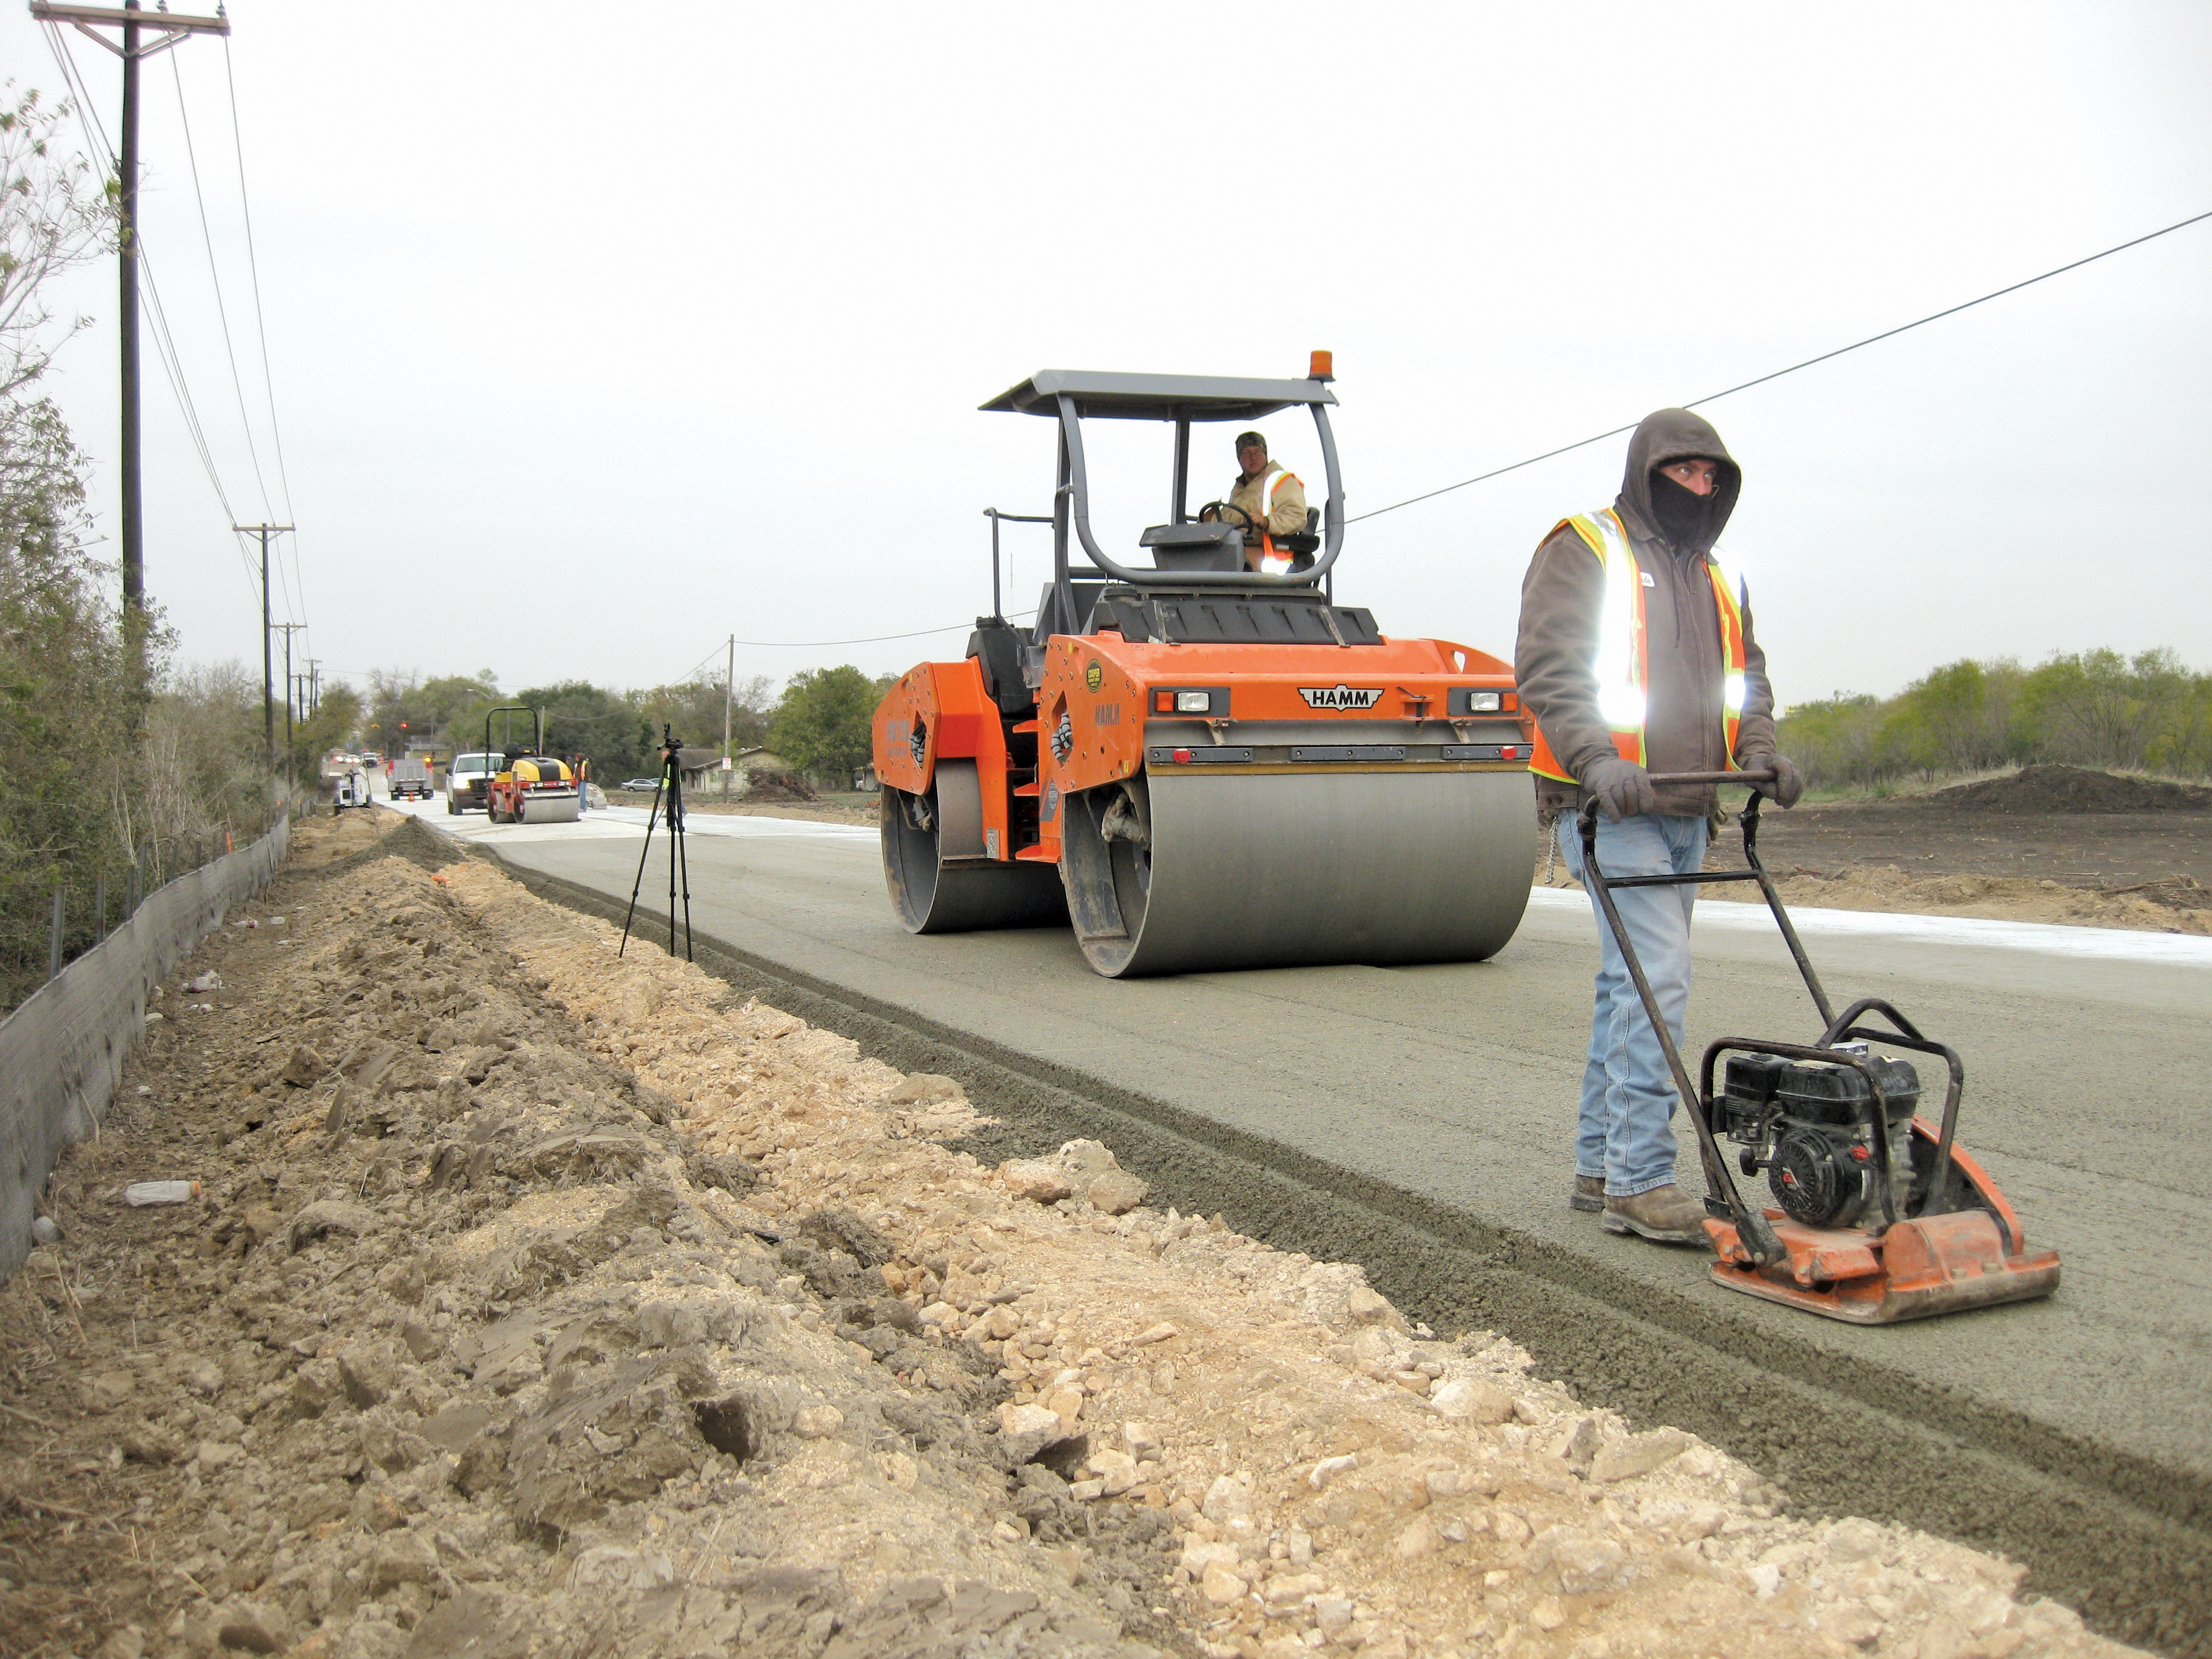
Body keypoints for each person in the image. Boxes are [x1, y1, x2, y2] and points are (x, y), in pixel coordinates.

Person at [1515, 408, 1805, 1245]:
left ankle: (1601, 1165)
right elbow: (1548, 667)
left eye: (1713, 475)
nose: (1701, 486)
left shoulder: (1719, 574)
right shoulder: (1584, 547)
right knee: (1661, 985)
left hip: (1692, 809)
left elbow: (1744, 680)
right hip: (1609, 808)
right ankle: (1642, 1180)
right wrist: (1597, 759)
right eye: (1685, 472)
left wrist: (1763, 753)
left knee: (1630, 990)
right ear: (1649, 473)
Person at [1205, 430, 1307, 572]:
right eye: (1247, 453)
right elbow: (1223, 518)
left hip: (1270, 555)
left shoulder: (1281, 481)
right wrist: (1204, 524)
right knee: (1198, 560)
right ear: (1239, 459)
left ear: (1265, 455)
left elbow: (1297, 517)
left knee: (1222, 564)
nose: (1253, 458)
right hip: (1236, 549)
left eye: (1258, 452)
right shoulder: (1236, 489)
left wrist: (1265, 522)